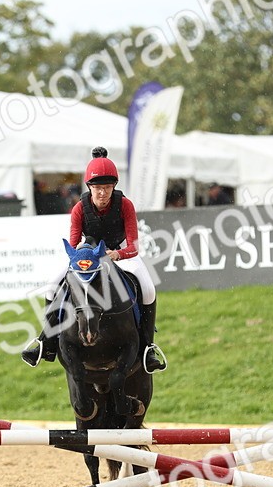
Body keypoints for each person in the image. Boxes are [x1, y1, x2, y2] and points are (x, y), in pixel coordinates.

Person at [21, 147, 167, 373]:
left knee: (148, 289)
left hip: (119, 255)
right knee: (52, 286)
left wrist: (117, 254)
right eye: (98, 188)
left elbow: (133, 246)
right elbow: (73, 242)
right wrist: (87, 255)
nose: (102, 193)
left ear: (114, 187)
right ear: (89, 187)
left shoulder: (125, 205)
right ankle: (45, 342)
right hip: (88, 257)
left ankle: (148, 347)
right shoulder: (80, 208)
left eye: (107, 188)